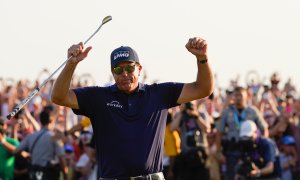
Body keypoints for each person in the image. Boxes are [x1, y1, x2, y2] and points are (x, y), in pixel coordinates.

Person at [51, 37, 214, 179]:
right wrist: (71, 64)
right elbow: (59, 97)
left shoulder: (159, 94)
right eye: (118, 69)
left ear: (139, 68)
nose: (124, 74)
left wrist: (202, 58)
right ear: (112, 73)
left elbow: (203, 88)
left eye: (129, 68)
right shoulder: (99, 97)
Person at [1, 105, 68, 180]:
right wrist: (65, 176)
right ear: (52, 121)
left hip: (35, 174)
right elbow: (62, 160)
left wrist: (3, 141)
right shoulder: (55, 138)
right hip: (49, 175)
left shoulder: (31, 136)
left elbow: (15, 151)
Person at [216, 86, 268, 180]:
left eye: (240, 95)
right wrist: (219, 151)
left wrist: (262, 147)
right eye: (236, 95)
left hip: (250, 150)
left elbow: (264, 128)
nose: (238, 97)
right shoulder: (227, 112)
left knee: (250, 175)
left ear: (247, 96)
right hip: (232, 150)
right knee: (232, 176)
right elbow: (219, 132)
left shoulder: (252, 111)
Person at [170, 101, 211, 180]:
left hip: (201, 154)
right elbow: (172, 128)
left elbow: (207, 130)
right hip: (186, 154)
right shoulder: (181, 115)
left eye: (192, 103)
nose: (190, 105)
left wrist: (197, 116)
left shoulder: (201, 114)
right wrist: (182, 112)